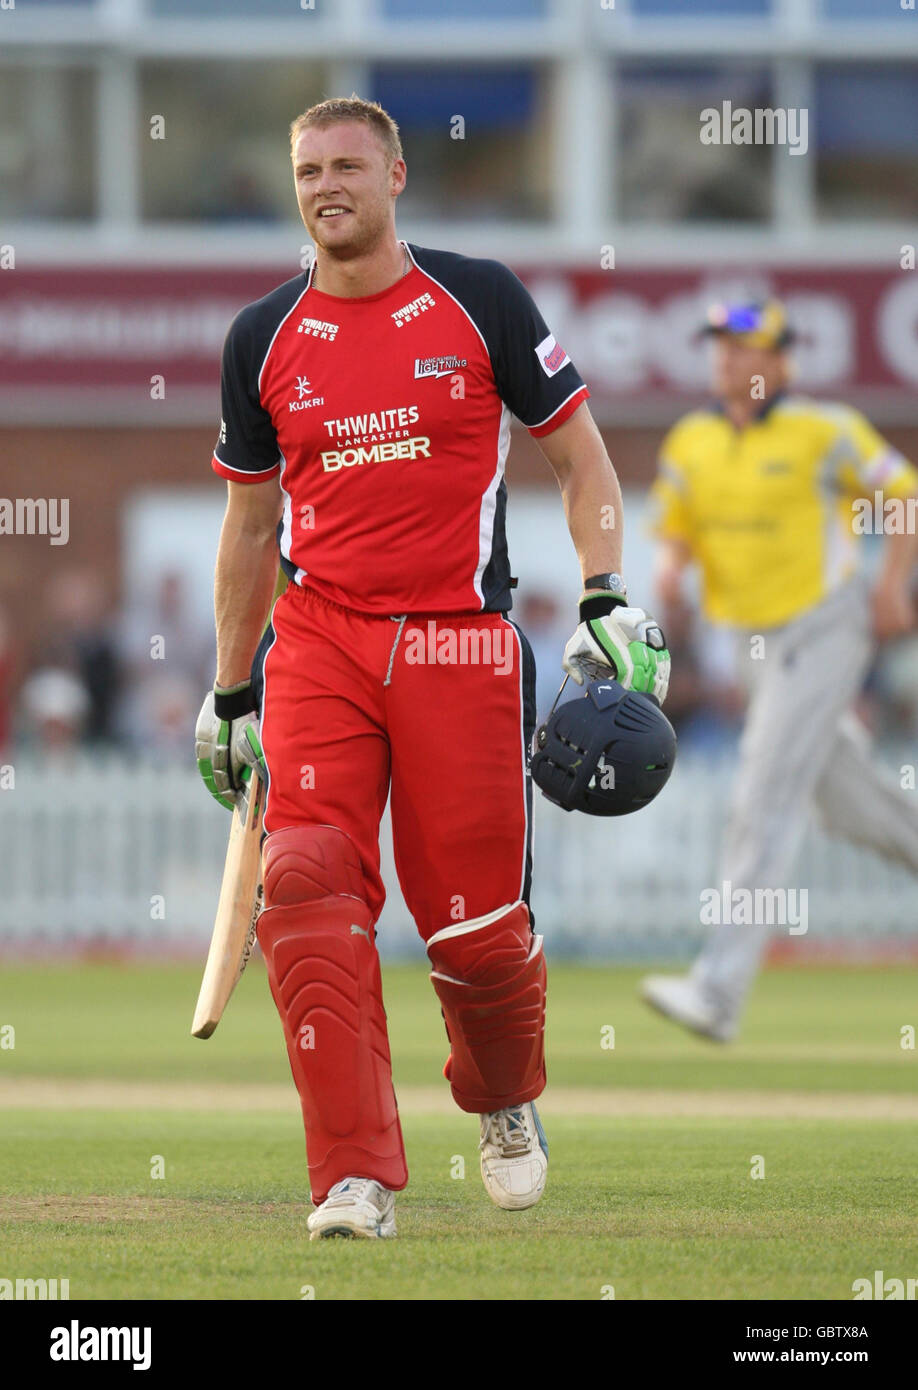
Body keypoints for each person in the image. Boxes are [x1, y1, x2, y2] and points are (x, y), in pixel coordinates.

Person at [195, 96, 669, 1240]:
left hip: (459, 638)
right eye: (307, 167)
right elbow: (252, 531)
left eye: (348, 165)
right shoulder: (262, 337)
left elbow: (581, 461)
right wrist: (228, 693)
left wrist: (606, 593)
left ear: (397, 174)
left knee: (472, 925)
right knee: (305, 886)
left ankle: (505, 1101)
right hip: (320, 641)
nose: (325, 186)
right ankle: (352, 1175)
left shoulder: (482, 299)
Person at [641, 299, 918, 1042]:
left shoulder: (825, 430)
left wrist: (892, 582)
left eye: (745, 347)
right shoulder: (693, 439)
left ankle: (717, 993)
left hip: (827, 625)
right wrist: (670, 574)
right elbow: (675, 530)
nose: (728, 360)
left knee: (763, 792)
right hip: (755, 643)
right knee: (843, 800)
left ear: (781, 361)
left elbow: (904, 496)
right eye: (720, 347)